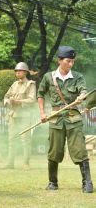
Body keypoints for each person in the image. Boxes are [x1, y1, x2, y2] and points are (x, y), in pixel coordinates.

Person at [37, 46, 93, 193]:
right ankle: (52, 183)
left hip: (73, 118)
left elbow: (83, 90)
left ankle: (87, 183)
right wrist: (42, 113)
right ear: (59, 60)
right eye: (68, 61)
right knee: (54, 151)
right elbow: (40, 94)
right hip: (55, 118)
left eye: (73, 61)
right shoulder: (49, 77)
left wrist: (82, 96)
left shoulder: (78, 77)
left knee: (80, 150)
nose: (71, 64)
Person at [1, 62, 36, 169]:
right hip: (13, 115)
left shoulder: (31, 84)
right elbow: (6, 96)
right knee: (11, 140)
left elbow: (32, 99)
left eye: (19, 71)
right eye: (16, 71)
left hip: (24, 115)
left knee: (25, 140)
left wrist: (19, 102)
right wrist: (8, 101)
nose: (17, 73)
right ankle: (10, 163)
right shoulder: (14, 84)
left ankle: (26, 163)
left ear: (25, 72)